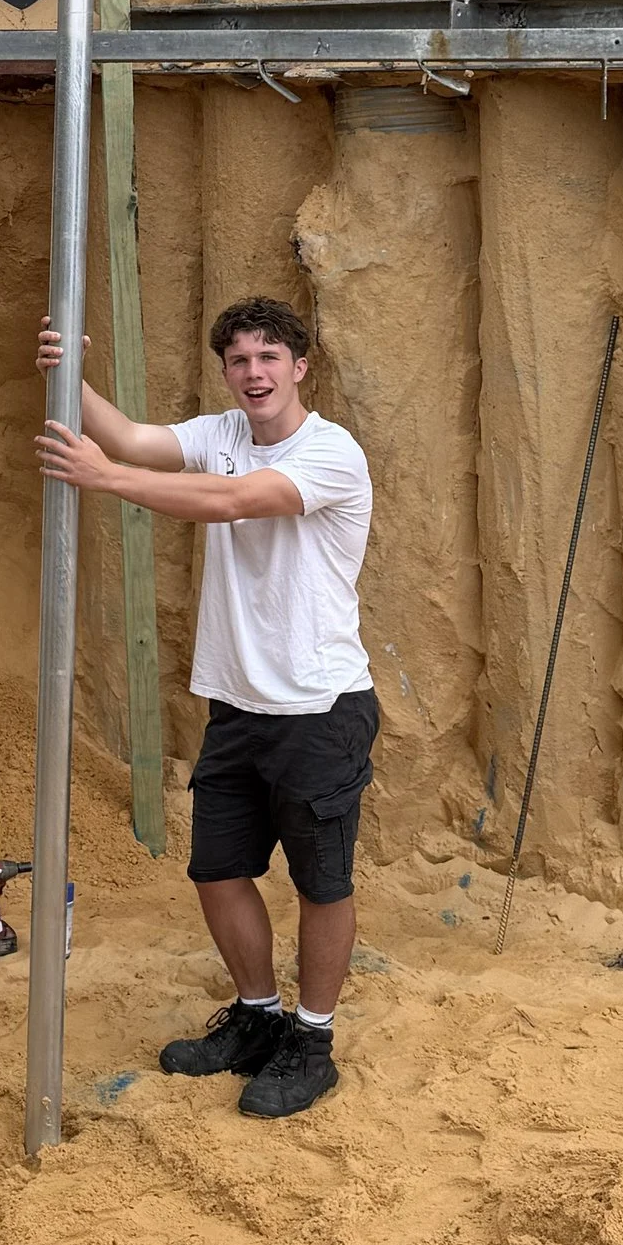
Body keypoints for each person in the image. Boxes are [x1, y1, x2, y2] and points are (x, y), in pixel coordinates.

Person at [34, 294, 375, 1121]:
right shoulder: (221, 431)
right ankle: (257, 1018)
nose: (254, 373)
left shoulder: (330, 453)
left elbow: (227, 500)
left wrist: (105, 481)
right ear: (226, 371)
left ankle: (312, 1040)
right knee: (218, 869)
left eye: (269, 357)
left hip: (318, 705)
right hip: (237, 701)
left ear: (300, 367)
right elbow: (131, 438)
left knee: (321, 880)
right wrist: (64, 369)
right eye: (238, 360)